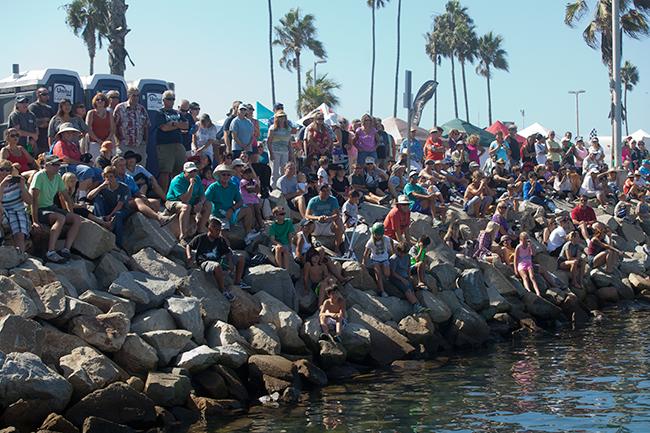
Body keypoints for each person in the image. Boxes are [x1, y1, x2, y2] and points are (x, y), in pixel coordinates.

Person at [29, 155, 81, 263]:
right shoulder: (39, 176)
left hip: (50, 208)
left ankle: (66, 250)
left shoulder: (57, 177)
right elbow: (34, 200)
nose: (58, 167)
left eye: (58, 165)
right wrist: (35, 222)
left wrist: (71, 213)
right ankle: (51, 251)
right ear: (46, 165)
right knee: (60, 218)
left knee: (77, 219)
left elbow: (66, 197)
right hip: (39, 209)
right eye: (54, 165)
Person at [186, 217, 249, 302]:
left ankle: (237, 283)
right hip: (204, 262)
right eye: (217, 230)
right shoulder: (201, 238)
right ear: (210, 229)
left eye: (219, 230)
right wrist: (189, 256)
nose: (219, 233)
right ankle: (223, 291)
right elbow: (189, 246)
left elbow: (227, 251)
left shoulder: (220, 240)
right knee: (217, 266)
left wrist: (230, 261)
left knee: (241, 258)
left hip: (219, 260)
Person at [205, 164, 258, 244]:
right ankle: (227, 250)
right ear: (219, 175)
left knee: (247, 210)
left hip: (231, 213)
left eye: (228, 175)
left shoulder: (232, 186)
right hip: (218, 215)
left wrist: (232, 209)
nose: (226, 176)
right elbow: (205, 200)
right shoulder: (213, 187)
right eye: (224, 174)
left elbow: (240, 201)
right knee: (223, 234)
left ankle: (247, 235)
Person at [51, 123, 103, 200]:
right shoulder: (60, 144)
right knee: (87, 170)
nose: (70, 134)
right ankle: (81, 197)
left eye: (71, 132)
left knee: (100, 173)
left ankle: (89, 195)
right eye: (67, 132)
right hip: (65, 167)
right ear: (62, 134)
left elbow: (79, 158)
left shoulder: (73, 145)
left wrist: (87, 162)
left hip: (77, 166)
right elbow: (65, 159)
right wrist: (84, 164)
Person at [165, 161, 211, 245]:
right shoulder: (177, 181)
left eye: (195, 171)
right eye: (190, 172)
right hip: (174, 202)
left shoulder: (197, 178)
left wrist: (200, 203)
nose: (193, 173)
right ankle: (183, 236)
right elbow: (185, 199)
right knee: (186, 207)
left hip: (192, 201)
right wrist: (191, 185)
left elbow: (203, 195)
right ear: (184, 172)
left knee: (208, 204)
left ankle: (200, 229)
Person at [87, 166, 132, 247]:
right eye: (106, 177)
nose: (108, 179)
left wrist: (110, 215)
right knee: (97, 198)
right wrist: (100, 187)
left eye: (111, 176)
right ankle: (101, 221)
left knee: (118, 215)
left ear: (115, 177)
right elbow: (89, 197)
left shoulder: (124, 188)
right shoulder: (103, 186)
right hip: (108, 208)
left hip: (121, 210)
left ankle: (119, 243)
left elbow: (120, 205)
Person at [155, 90, 187, 193]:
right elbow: (164, 128)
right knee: (165, 171)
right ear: (163, 100)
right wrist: (178, 125)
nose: (171, 101)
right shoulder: (159, 112)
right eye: (169, 99)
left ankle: (177, 193)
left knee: (180, 171)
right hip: (165, 145)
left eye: (173, 99)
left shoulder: (177, 113)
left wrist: (173, 124)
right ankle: (164, 195)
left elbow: (186, 126)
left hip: (178, 144)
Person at [113, 87, 150, 166]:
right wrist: (117, 142)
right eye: (133, 95)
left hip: (139, 145)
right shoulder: (120, 108)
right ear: (128, 95)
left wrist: (145, 142)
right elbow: (114, 126)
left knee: (141, 168)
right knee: (123, 167)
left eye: (137, 96)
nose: (136, 98)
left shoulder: (142, 109)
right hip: (124, 145)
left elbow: (146, 126)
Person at [0, 159, 31, 252]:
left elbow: (29, 201)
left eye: (7, 170)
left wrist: (22, 187)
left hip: (17, 210)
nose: (4, 172)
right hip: (3, 211)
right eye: (1, 169)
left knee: (19, 233)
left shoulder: (17, 182)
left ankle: (20, 255)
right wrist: (2, 185)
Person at [389, 242, 429, 314]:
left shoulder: (407, 256)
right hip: (396, 277)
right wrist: (403, 279)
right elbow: (392, 273)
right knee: (407, 289)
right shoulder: (394, 258)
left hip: (405, 275)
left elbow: (408, 267)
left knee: (411, 288)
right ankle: (416, 305)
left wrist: (409, 276)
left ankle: (419, 306)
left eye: (404, 253)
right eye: (401, 253)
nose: (402, 255)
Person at [305, 184, 344, 251]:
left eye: (328, 191)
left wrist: (329, 218)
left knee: (339, 222)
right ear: (319, 191)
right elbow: (307, 215)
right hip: (317, 225)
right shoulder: (313, 201)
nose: (326, 193)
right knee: (306, 224)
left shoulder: (333, 200)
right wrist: (318, 218)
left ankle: (337, 247)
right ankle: (307, 246)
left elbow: (337, 214)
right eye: (323, 191)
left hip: (329, 224)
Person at [363, 222, 393, 297]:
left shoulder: (386, 239)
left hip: (384, 258)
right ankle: (382, 291)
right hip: (375, 260)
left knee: (387, 274)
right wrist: (363, 263)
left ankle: (387, 283)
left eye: (379, 235)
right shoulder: (371, 242)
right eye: (376, 234)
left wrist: (392, 254)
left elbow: (391, 243)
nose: (377, 236)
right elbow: (366, 253)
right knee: (378, 274)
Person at [85, 93, 115, 160]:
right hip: (94, 142)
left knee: (107, 162)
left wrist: (106, 140)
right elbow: (88, 129)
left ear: (105, 102)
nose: (100, 101)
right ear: (95, 102)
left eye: (102, 100)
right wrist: (98, 140)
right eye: (98, 100)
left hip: (107, 143)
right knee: (95, 161)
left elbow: (112, 129)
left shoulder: (109, 114)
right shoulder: (91, 113)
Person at [267, 110, 293, 183]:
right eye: (280, 117)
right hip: (275, 151)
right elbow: (269, 142)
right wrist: (271, 153)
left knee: (284, 169)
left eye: (283, 117)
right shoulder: (273, 128)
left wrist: (291, 153)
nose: (282, 118)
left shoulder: (288, 129)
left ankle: (282, 185)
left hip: (285, 151)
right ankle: (274, 186)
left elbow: (289, 142)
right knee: (275, 171)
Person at [28, 88, 55, 156]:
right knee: (33, 158)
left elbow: (53, 122)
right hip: (34, 140)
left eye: (47, 94)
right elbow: (31, 122)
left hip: (46, 140)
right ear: (38, 95)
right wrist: (43, 120)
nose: (46, 96)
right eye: (44, 94)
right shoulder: (32, 107)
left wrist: (46, 122)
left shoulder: (49, 108)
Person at [514, 232, 542, 296]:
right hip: (521, 264)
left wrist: (531, 246)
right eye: (524, 239)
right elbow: (515, 259)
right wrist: (515, 270)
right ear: (521, 239)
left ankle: (538, 292)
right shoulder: (518, 247)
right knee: (525, 277)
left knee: (532, 277)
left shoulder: (529, 246)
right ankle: (528, 291)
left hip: (528, 263)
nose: (526, 240)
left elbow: (533, 254)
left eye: (527, 238)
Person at [239, 166, 264, 232]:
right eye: (246, 173)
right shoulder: (242, 181)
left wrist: (256, 187)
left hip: (254, 199)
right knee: (252, 212)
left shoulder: (254, 181)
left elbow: (258, 189)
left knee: (258, 212)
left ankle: (261, 225)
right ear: (242, 174)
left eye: (249, 173)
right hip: (246, 200)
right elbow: (249, 190)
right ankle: (253, 227)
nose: (249, 175)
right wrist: (255, 188)